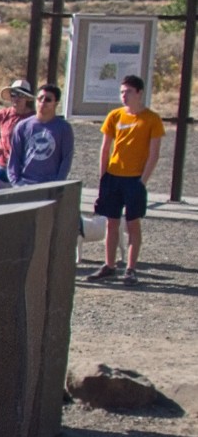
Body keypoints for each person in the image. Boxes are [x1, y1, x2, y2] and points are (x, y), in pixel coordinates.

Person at [90, 74, 165, 284]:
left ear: (139, 93)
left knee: (133, 224)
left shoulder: (151, 119)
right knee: (111, 223)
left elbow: (154, 152)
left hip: (134, 179)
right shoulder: (115, 116)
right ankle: (109, 265)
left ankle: (131, 268)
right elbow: (105, 148)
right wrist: (103, 176)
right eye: (122, 92)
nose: (124, 96)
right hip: (113, 176)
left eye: (128, 92)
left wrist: (143, 180)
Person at [10, 83, 75, 188]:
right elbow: (14, 157)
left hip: (50, 185)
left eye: (48, 100)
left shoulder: (64, 128)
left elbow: (66, 160)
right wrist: (16, 182)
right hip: (25, 183)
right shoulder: (22, 126)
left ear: (56, 103)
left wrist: (57, 184)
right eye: (40, 98)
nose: (43, 102)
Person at [0, 80, 33, 187]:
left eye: (21, 95)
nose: (16, 98)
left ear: (26, 98)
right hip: (3, 165)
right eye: (13, 94)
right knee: (0, 201)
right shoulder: (2, 114)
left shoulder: (33, 118)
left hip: (25, 168)